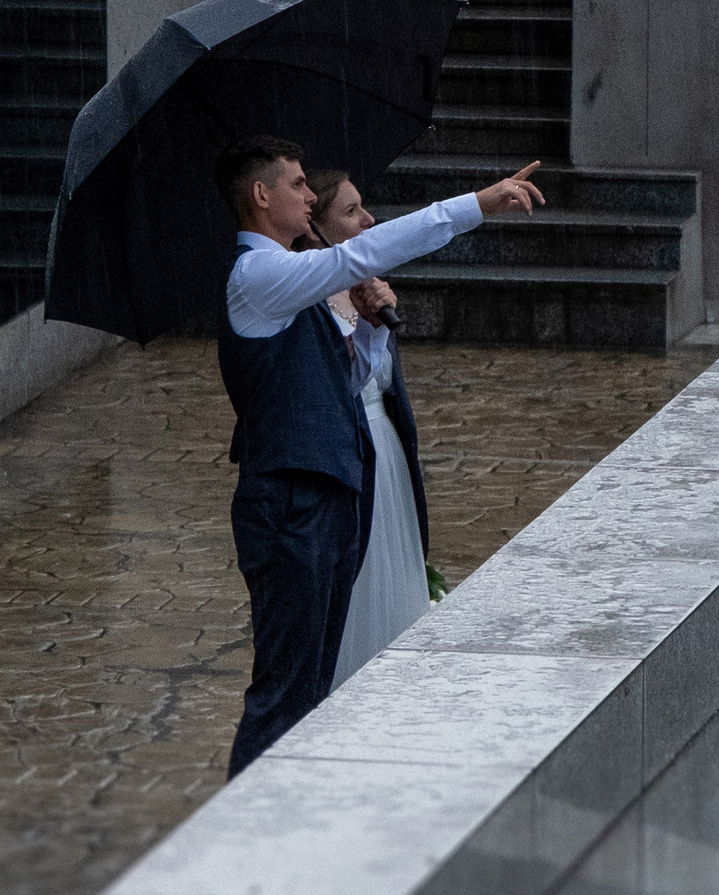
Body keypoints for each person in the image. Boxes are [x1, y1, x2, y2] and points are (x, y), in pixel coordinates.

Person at [214, 135, 542, 776]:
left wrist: (366, 328)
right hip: (290, 503)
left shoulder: (288, 281)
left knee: (316, 682)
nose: (309, 197)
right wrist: (477, 204)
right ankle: (247, 817)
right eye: (297, 184)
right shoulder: (258, 276)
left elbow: (339, 385)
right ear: (260, 195)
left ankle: (298, 803)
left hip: (330, 491)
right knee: (285, 689)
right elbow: (361, 252)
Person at [294, 169, 430, 689]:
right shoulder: (304, 299)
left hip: (385, 452)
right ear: (317, 227)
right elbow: (335, 387)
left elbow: (385, 383)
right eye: (351, 212)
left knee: (395, 584)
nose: (369, 220)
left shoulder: (366, 290)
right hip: (346, 456)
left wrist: (375, 325)